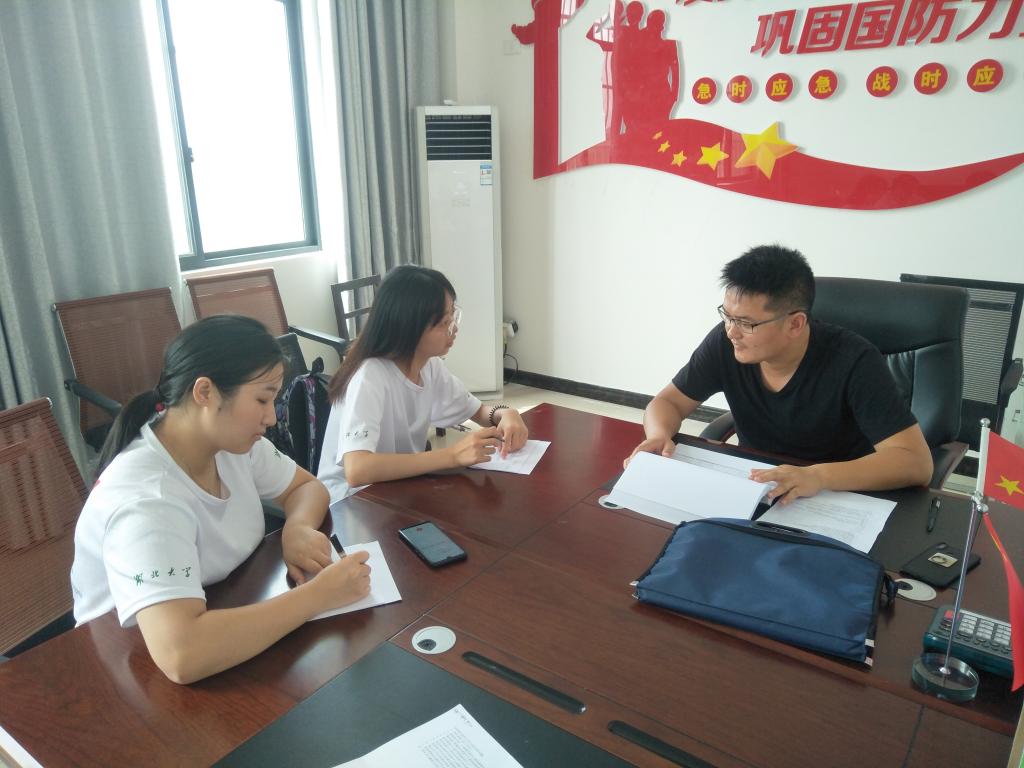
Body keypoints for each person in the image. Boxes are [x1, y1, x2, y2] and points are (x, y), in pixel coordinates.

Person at [71, 315, 371, 684]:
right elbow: (182, 654)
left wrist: (296, 528)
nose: (271, 417)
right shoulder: (148, 499)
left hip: (221, 612)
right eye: (262, 399)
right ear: (205, 393)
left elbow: (307, 488)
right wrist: (319, 596)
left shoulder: (232, 444)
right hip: (127, 669)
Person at [626, 245, 933, 503]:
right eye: (727, 316)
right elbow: (668, 402)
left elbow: (915, 462)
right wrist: (658, 435)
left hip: (835, 494)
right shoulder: (725, 342)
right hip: (756, 487)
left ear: (795, 324)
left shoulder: (854, 360)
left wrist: (818, 476)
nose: (732, 332)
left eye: (746, 323)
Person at [317, 264, 529, 503]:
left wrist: (505, 414)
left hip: (395, 489)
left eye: (453, 316)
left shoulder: (429, 365)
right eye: (444, 322)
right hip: (350, 501)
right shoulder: (369, 375)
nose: (454, 328)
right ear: (410, 328)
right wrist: (451, 456)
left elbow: (477, 411)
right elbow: (357, 470)